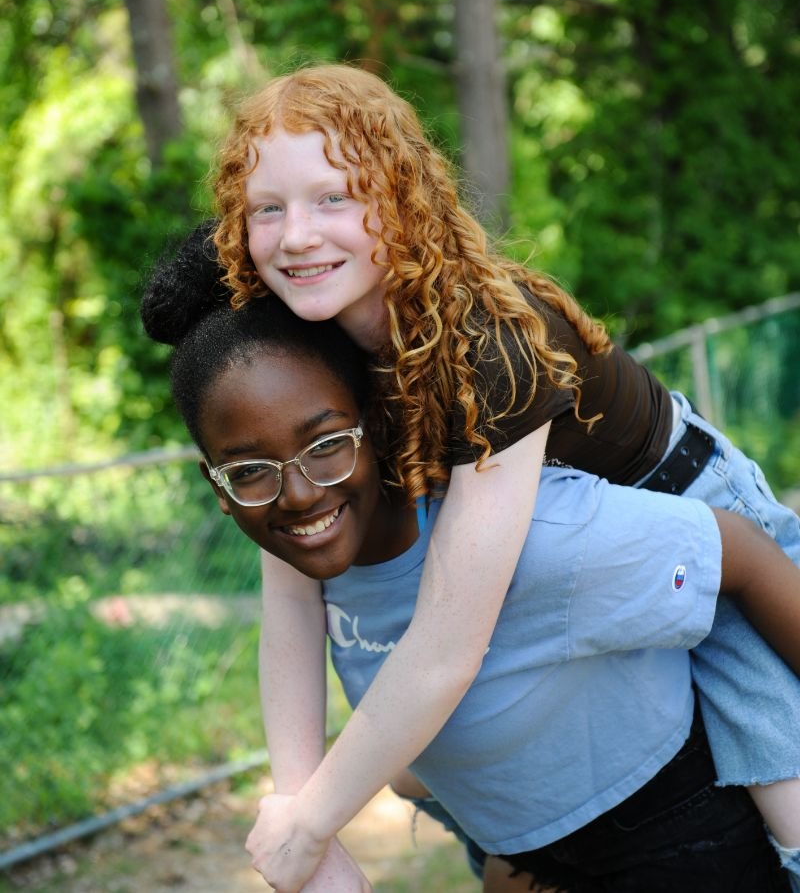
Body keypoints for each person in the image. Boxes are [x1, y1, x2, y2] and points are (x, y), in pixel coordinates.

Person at [208, 62, 800, 889]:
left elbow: (449, 643)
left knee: (787, 808)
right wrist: (296, 806)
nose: (297, 234)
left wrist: (314, 820)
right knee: (444, 765)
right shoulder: (312, 334)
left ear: (401, 197)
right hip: (555, 551)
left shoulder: (484, 343)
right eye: (268, 209)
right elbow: (292, 598)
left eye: (333, 198)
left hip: (680, 505)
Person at [140, 281, 799, 892]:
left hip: (671, 834)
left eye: (327, 445)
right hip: (527, 844)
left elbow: (737, 548)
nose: (300, 491)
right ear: (218, 487)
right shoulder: (312, 545)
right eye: (251, 470)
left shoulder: (536, 536)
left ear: (375, 424)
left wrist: (311, 825)